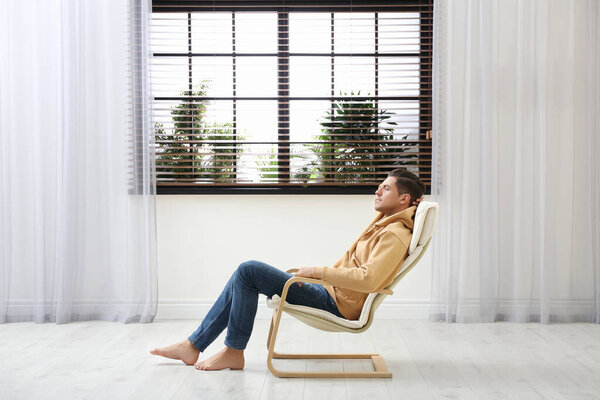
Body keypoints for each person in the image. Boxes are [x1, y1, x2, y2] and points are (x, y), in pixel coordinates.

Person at [150, 168, 426, 371]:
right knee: (244, 275)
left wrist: (319, 271)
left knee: (248, 270)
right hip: (330, 292)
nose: (377, 191)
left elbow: (369, 280)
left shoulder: (393, 234)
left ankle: (228, 350)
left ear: (404, 200)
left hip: (336, 303)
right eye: (380, 186)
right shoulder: (385, 224)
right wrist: (317, 274)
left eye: (386, 188)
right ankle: (196, 346)